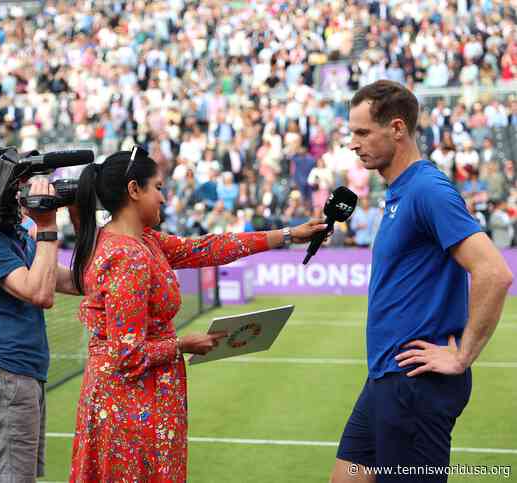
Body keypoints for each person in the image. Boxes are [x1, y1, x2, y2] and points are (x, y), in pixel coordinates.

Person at [68, 147, 328, 482]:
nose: (164, 197)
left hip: (136, 401)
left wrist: (289, 234)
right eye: (158, 187)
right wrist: (182, 344)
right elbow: (127, 356)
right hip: (131, 408)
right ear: (134, 190)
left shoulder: (142, 241)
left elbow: (206, 248)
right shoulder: (127, 256)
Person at [331, 80, 513, 483]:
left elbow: (494, 272)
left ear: (397, 128)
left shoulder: (427, 189)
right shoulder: (400, 191)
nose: (353, 143)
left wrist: (462, 355)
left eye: (362, 132)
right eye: (352, 133)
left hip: (415, 384)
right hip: (386, 375)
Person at [0, 177, 81, 483]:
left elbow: (74, 281)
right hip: (4, 376)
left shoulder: (13, 238)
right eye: (15, 189)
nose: (21, 197)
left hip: (21, 374)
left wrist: (78, 214)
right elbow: (40, 293)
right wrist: (47, 226)